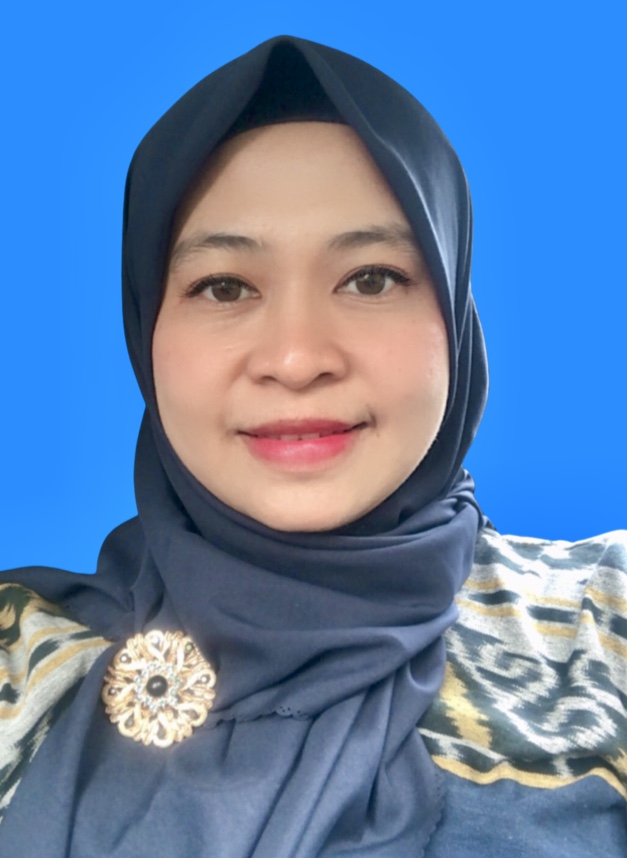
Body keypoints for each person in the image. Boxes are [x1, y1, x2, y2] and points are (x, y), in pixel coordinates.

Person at [0, 35, 625, 857]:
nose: (296, 359)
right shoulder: (22, 660)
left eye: (371, 278)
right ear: (145, 325)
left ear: (454, 315)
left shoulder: (601, 628)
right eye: (224, 286)